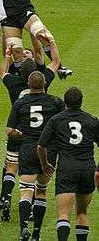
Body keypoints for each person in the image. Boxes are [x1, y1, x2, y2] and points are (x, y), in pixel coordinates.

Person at [0, 31, 60, 216]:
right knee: (33, 172)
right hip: (36, 134)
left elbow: (3, 73)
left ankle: (6, 197)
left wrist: (7, 56)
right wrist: (51, 42)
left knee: (11, 166)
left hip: (17, 128)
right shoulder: (43, 84)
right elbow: (54, 63)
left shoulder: (13, 82)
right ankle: (31, 208)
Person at [7, 71, 64, 241]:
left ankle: (24, 227)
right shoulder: (55, 102)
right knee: (41, 191)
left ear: (29, 85)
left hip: (28, 149)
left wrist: (22, 134)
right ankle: (37, 233)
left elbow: (10, 132)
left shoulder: (20, 103)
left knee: (25, 191)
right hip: (48, 150)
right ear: (45, 83)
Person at [37, 87, 99, 241]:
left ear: (65, 103)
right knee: (82, 212)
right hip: (87, 169)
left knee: (64, 214)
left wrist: (45, 164)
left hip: (67, 169)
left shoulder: (56, 120)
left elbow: (41, 146)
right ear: (81, 102)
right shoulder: (91, 120)